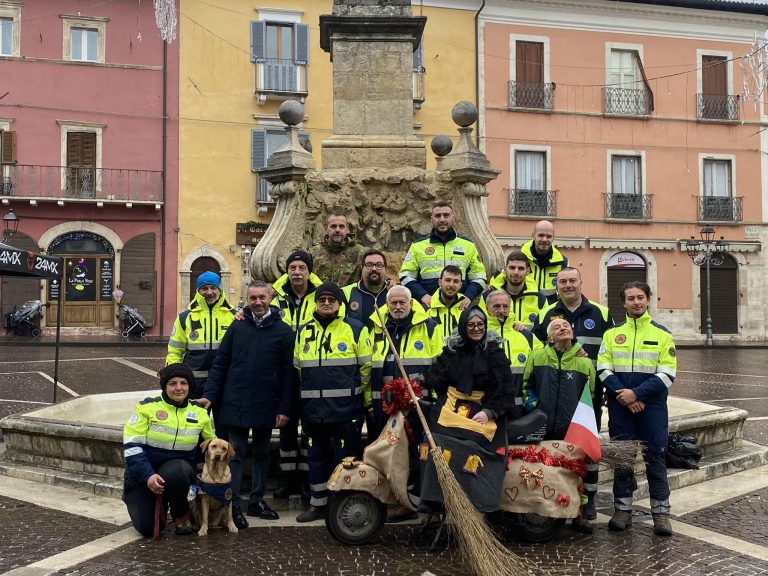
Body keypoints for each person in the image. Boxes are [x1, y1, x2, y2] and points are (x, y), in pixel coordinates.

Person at [198, 281, 295, 529]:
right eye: (253, 298)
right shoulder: (237, 326)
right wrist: (210, 395)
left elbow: (288, 374)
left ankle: (256, 500)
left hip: (266, 401)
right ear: (247, 300)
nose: (258, 302)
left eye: (262, 297)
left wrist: (284, 408)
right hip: (235, 400)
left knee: (262, 453)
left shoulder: (284, 332)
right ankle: (235, 506)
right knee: (236, 454)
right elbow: (221, 362)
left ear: (271, 298)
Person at [532, 266, 613, 518]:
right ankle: (556, 496)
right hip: (553, 396)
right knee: (554, 448)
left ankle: (588, 500)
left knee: (587, 450)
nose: (567, 285)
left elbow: (610, 354)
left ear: (581, 283)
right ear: (557, 285)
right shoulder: (546, 313)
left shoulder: (601, 313)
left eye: (572, 281)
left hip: (588, 399)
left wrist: (608, 387)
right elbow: (537, 349)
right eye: (562, 281)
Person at [419, 306, 516, 514]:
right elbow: (435, 376)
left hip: (482, 411)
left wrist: (489, 412)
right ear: (463, 327)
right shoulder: (453, 351)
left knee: (468, 446)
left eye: (480, 324)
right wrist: (416, 385)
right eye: (471, 325)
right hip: (450, 408)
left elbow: (505, 390)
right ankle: (434, 497)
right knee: (432, 440)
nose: (476, 329)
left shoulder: (495, 353)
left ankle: (473, 499)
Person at [598, 281, 677, 537]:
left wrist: (637, 394)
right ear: (623, 303)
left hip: (652, 407)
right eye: (630, 298)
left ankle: (661, 515)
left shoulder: (663, 335)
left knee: (655, 458)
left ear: (648, 299)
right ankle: (622, 510)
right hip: (621, 405)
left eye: (640, 297)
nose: (636, 302)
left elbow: (667, 374)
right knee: (623, 460)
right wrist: (626, 396)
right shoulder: (611, 334)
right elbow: (603, 368)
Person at [293, 281, 372, 522]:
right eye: (321, 300)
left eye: (332, 300)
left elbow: (366, 368)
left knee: (346, 459)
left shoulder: (356, 329)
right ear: (315, 303)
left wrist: (361, 400)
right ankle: (318, 505)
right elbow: (298, 368)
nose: (326, 304)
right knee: (316, 458)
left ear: (340, 304)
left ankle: (341, 506)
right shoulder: (304, 331)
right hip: (313, 411)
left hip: (346, 411)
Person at [122, 364, 215, 537]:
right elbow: (132, 447)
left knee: (176, 473)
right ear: (164, 386)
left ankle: (180, 513)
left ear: (190, 386)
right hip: (145, 473)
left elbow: (211, 444)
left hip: (176, 470)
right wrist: (148, 475)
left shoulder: (200, 412)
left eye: (183, 383)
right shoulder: (146, 407)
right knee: (148, 529)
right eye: (172, 383)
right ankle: (149, 499)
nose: (179, 388)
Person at [522, 318, 596, 533]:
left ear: (572, 332)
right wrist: (534, 408)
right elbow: (526, 386)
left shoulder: (585, 363)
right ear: (549, 337)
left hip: (571, 427)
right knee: (544, 468)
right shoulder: (536, 357)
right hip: (542, 425)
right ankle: (545, 511)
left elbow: (589, 396)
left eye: (567, 325)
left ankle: (578, 515)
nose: (563, 328)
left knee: (574, 471)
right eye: (557, 327)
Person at [271, 250, 321, 500]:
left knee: (310, 431)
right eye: (293, 268)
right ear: (287, 271)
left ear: (309, 271)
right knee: (287, 430)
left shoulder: (321, 296)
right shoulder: (275, 298)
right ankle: (287, 480)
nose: (297, 272)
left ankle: (306, 480)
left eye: (302, 267)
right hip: (284, 373)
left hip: (312, 372)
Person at [399, 201, 486, 308]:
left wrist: (468, 296)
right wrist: (423, 295)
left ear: (453, 217)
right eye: (437, 216)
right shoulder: (418, 246)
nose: (442, 220)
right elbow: (405, 276)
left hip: (459, 307)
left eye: (446, 215)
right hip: (428, 308)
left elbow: (479, 277)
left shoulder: (468, 245)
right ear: (431, 219)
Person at [166, 271, 236, 399]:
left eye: (213, 288)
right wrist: (172, 374)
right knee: (194, 419)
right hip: (194, 383)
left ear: (219, 289)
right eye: (204, 288)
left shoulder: (234, 316)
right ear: (198, 291)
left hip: (224, 381)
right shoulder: (185, 318)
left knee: (225, 419)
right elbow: (175, 351)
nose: (209, 292)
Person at [485, 290, 542, 415]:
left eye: (505, 306)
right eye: (496, 306)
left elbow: (546, 361)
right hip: (488, 410)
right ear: (486, 307)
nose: (502, 310)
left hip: (520, 410)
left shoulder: (527, 336)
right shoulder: (480, 336)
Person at [480, 251, 547, 330]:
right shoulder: (488, 296)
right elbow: (480, 324)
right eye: (512, 268)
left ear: (528, 271)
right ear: (505, 269)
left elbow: (545, 329)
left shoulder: (539, 298)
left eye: (521, 268)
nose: (516, 272)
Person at [310, 212, 367, 287]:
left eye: (341, 226)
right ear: (326, 228)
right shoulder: (314, 253)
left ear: (347, 229)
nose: (337, 230)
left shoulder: (361, 253)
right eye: (333, 226)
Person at [520, 220, 568, 302]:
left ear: (553, 238)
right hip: (525, 310)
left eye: (548, 236)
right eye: (541, 235)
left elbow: (567, 291)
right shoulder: (520, 258)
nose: (545, 239)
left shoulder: (562, 262)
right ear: (533, 236)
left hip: (550, 312)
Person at [343, 249, 390, 330]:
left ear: (385, 268)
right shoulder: (346, 293)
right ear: (362, 268)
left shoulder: (394, 293)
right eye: (369, 265)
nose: (374, 269)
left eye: (379, 265)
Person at [426, 265, 466, 343]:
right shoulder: (425, 309)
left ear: (460, 285)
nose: (451, 285)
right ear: (440, 282)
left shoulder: (467, 310)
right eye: (447, 280)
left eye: (456, 281)